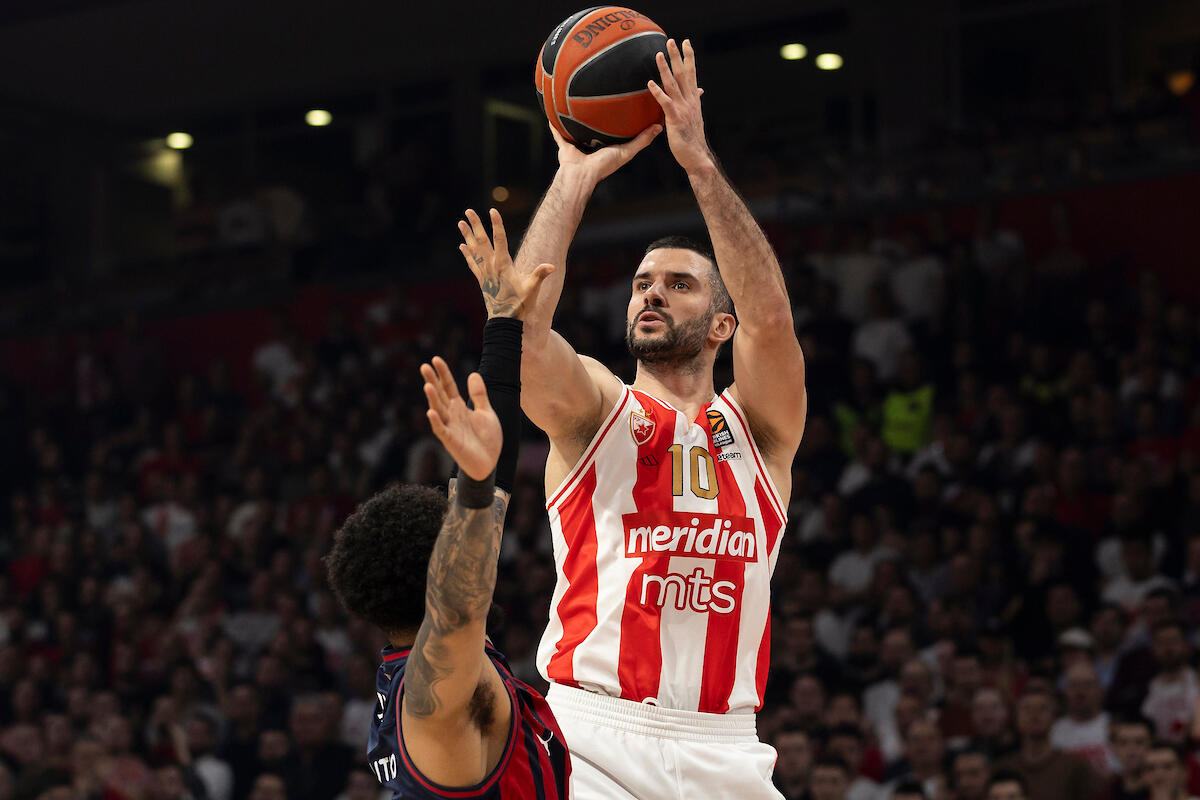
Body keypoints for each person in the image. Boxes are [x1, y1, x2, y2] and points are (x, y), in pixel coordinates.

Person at [472, 36, 806, 798]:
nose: (652, 292)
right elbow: (522, 338)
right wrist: (573, 177)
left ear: (722, 326)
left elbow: (772, 321)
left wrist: (699, 165)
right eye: (642, 283)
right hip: (594, 734)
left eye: (680, 285)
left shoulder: (761, 431)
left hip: (727, 743)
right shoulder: (598, 408)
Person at [325, 213, 569, 798]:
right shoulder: (437, 690)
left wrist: (503, 323)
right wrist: (476, 490)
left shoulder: (424, 669)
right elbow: (457, 606)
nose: (483, 538)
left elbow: (493, 481)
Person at [997, 687, 1095, 800]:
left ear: (1054, 717)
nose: (1034, 714)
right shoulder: (1003, 767)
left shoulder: (1074, 766)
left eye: (1042, 708)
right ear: (1016, 718)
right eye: (1027, 708)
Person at [1108, 715, 1153, 800]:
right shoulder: (1105, 791)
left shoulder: (1167, 790)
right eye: (1123, 743)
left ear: (1151, 744)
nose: (1131, 751)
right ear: (1113, 748)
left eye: (1139, 742)